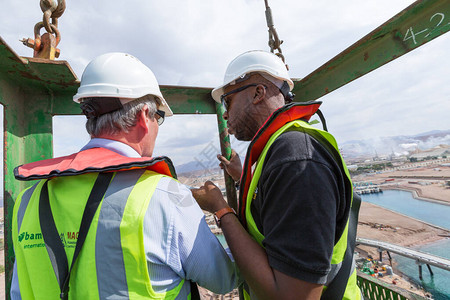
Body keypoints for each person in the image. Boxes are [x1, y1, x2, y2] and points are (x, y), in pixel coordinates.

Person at [11, 52, 239, 299]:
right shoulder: (164, 196)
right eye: (158, 117)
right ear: (143, 117)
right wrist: (221, 210)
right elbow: (225, 278)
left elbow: (19, 291)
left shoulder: (28, 201)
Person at [192, 50, 361, 299]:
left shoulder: (295, 158)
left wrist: (220, 209)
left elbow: (292, 297)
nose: (225, 114)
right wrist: (242, 177)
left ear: (258, 93)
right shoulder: (282, 150)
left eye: (228, 101)